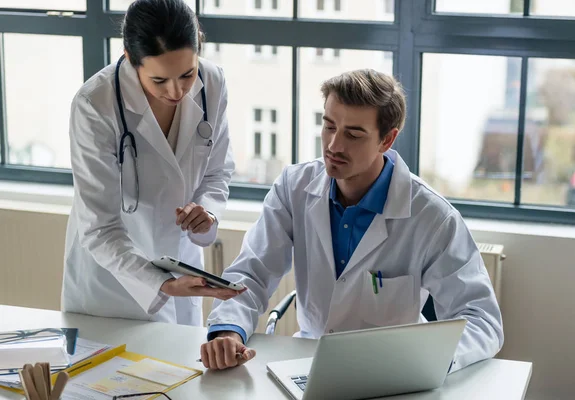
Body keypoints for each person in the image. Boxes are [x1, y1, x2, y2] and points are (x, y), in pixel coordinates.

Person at [200, 69, 503, 372]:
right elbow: (252, 273)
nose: (333, 146)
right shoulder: (294, 187)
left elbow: (482, 319)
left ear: (387, 139)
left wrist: (430, 363)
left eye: (354, 134)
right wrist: (228, 330)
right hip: (308, 364)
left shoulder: (432, 217)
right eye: (329, 126)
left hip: (391, 375)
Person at [62, 0, 242, 326]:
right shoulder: (95, 105)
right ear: (130, 59)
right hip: (113, 283)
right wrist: (159, 282)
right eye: (159, 81)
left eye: (188, 74)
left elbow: (218, 171)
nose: (177, 91)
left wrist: (207, 209)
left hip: (181, 261)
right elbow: (99, 228)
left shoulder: (213, 83)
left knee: (185, 373)